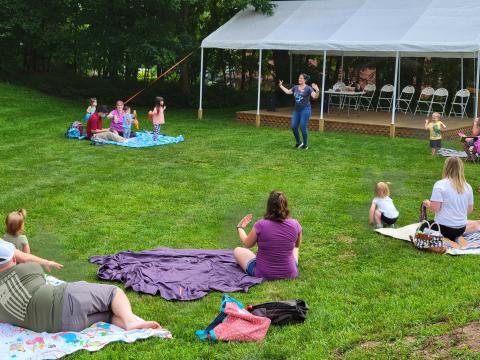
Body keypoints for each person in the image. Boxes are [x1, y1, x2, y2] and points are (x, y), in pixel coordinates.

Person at [0, 240, 160, 333]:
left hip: (59, 326)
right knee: (114, 293)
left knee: (108, 315)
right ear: (14, 260)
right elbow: (28, 262)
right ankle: (130, 321)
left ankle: (124, 323)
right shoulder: (30, 268)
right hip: (67, 300)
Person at [233, 191, 302, 280]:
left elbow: (247, 244)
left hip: (263, 273)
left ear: (269, 207)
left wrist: (240, 227)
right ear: (285, 206)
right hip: (290, 273)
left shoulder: (261, 225)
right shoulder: (295, 224)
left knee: (237, 250)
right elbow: (297, 245)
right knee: (295, 249)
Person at [423, 157, 474, 248]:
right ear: (461, 169)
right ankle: (458, 237)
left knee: (423, 228)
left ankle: (444, 239)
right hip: (461, 228)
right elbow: (469, 210)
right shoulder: (467, 186)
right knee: (455, 232)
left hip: (443, 228)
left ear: (446, 168)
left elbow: (435, 208)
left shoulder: (440, 185)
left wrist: (428, 204)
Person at [279, 74, 320, 150]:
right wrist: (281, 86)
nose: (299, 79)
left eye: (301, 78)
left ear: (305, 80)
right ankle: (299, 143)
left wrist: (317, 90)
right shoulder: (295, 87)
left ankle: (305, 144)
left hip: (305, 110)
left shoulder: (308, 88)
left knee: (303, 127)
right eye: (299, 78)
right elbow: (288, 92)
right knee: (294, 127)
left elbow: (315, 96)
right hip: (296, 110)